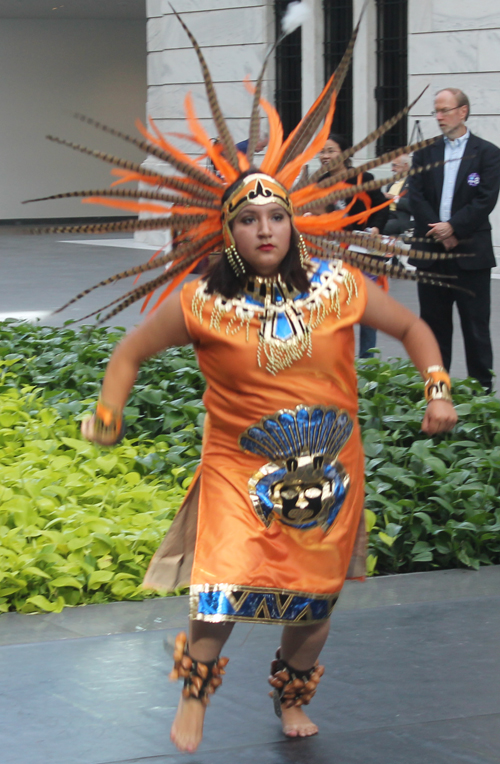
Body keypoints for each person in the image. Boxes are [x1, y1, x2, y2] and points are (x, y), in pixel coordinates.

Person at [81, 169, 457, 752]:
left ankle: (292, 698)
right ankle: (194, 695)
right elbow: (130, 352)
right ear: (229, 232)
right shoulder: (201, 301)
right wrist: (108, 413)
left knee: (312, 604)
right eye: (249, 219)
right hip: (237, 471)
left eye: (276, 217)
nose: (265, 229)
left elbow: (411, 326)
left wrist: (436, 386)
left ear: (292, 225)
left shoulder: (340, 286)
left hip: (329, 476)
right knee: (222, 584)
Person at [409, 87, 500, 392]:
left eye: (444, 110)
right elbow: (417, 195)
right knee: (433, 328)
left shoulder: (487, 153)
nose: (438, 117)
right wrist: (439, 230)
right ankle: (436, 391)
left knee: (476, 328)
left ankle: (482, 395)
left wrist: (454, 228)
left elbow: (486, 199)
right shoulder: (425, 152)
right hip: (432, 254)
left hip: (471, 255)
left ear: (462, 112)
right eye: (436, 111)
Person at [318, 134, 390, 358]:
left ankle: (368, 365)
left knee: (367, 309)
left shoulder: (362, 177)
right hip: (331, 256)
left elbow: (381, 207)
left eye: (331, 151)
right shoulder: (319, 183)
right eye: (323, 152)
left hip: (361, 253)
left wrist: (376, 228)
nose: (325, 156)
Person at [383, 154, 412, 236]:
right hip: (387, 214)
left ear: (406, 166)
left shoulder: (413, 182)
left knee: (382, 227)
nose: (392, 169)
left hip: (401, 217)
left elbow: (412, 205)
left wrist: (393, 198)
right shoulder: (391, 184)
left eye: (395, 166)